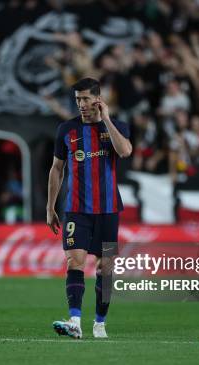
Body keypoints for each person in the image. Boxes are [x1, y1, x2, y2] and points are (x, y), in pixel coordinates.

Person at [47, 77, 132, 339]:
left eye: (85, 99)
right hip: (76, 209)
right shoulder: (66, 130)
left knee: (105, 268)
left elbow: (125, 151)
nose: (81, 105)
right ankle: (75, 321)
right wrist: (50, 207)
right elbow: (57, 169)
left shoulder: (117, 126)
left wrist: (106, 119)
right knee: (75, 261)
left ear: (97, 98)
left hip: (107, 210)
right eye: (77, 100)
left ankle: (100, 323)